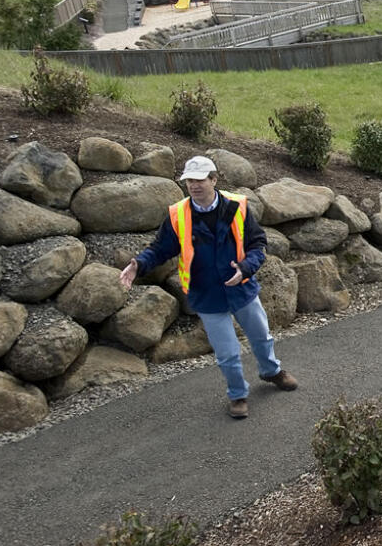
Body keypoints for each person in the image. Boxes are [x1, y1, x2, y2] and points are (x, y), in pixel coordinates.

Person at [119, 155, 297, 418]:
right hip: (206, 294)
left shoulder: (238, 206)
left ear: (214, 180)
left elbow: (258, 244)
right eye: (190, 180)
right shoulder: (177, 215)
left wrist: (246, 268)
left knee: (261, 335)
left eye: (200, 180)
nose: (194, 185)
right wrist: (138, 265)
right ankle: (238, 395)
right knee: (227, 352)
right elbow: (160, 249)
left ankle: (271, 372)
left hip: (242, 288)